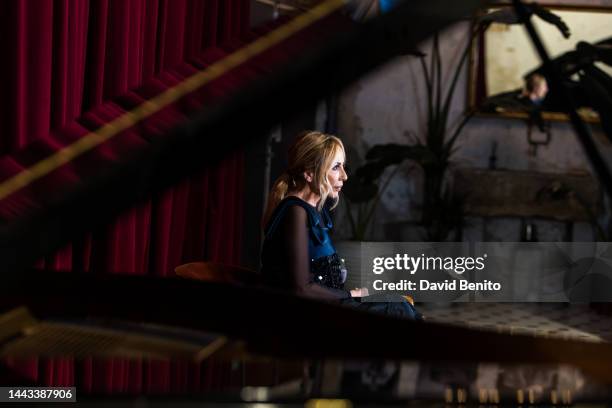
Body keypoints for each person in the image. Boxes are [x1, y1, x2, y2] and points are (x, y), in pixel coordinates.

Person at [260, 130, 422, 320]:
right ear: (309, 173)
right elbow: (301, 288)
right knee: (398, 309)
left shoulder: (309, 211)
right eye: (336, 167)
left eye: (342, 166)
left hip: (327, 305)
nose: (344, 176)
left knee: (397, 302)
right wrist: (352, 295)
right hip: (304, 315)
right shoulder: (295, 212)